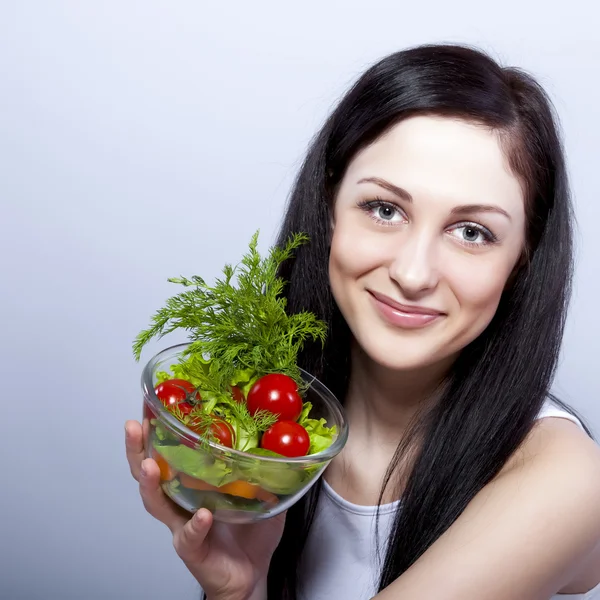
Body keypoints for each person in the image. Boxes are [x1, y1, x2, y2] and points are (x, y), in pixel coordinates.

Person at [125, 43, 600, 600]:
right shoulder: (270, 431)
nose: (413, 271)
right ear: (330, 205)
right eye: (384, 209)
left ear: (522, 257)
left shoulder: (567, 480)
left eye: (472, 232)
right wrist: (241, 590)